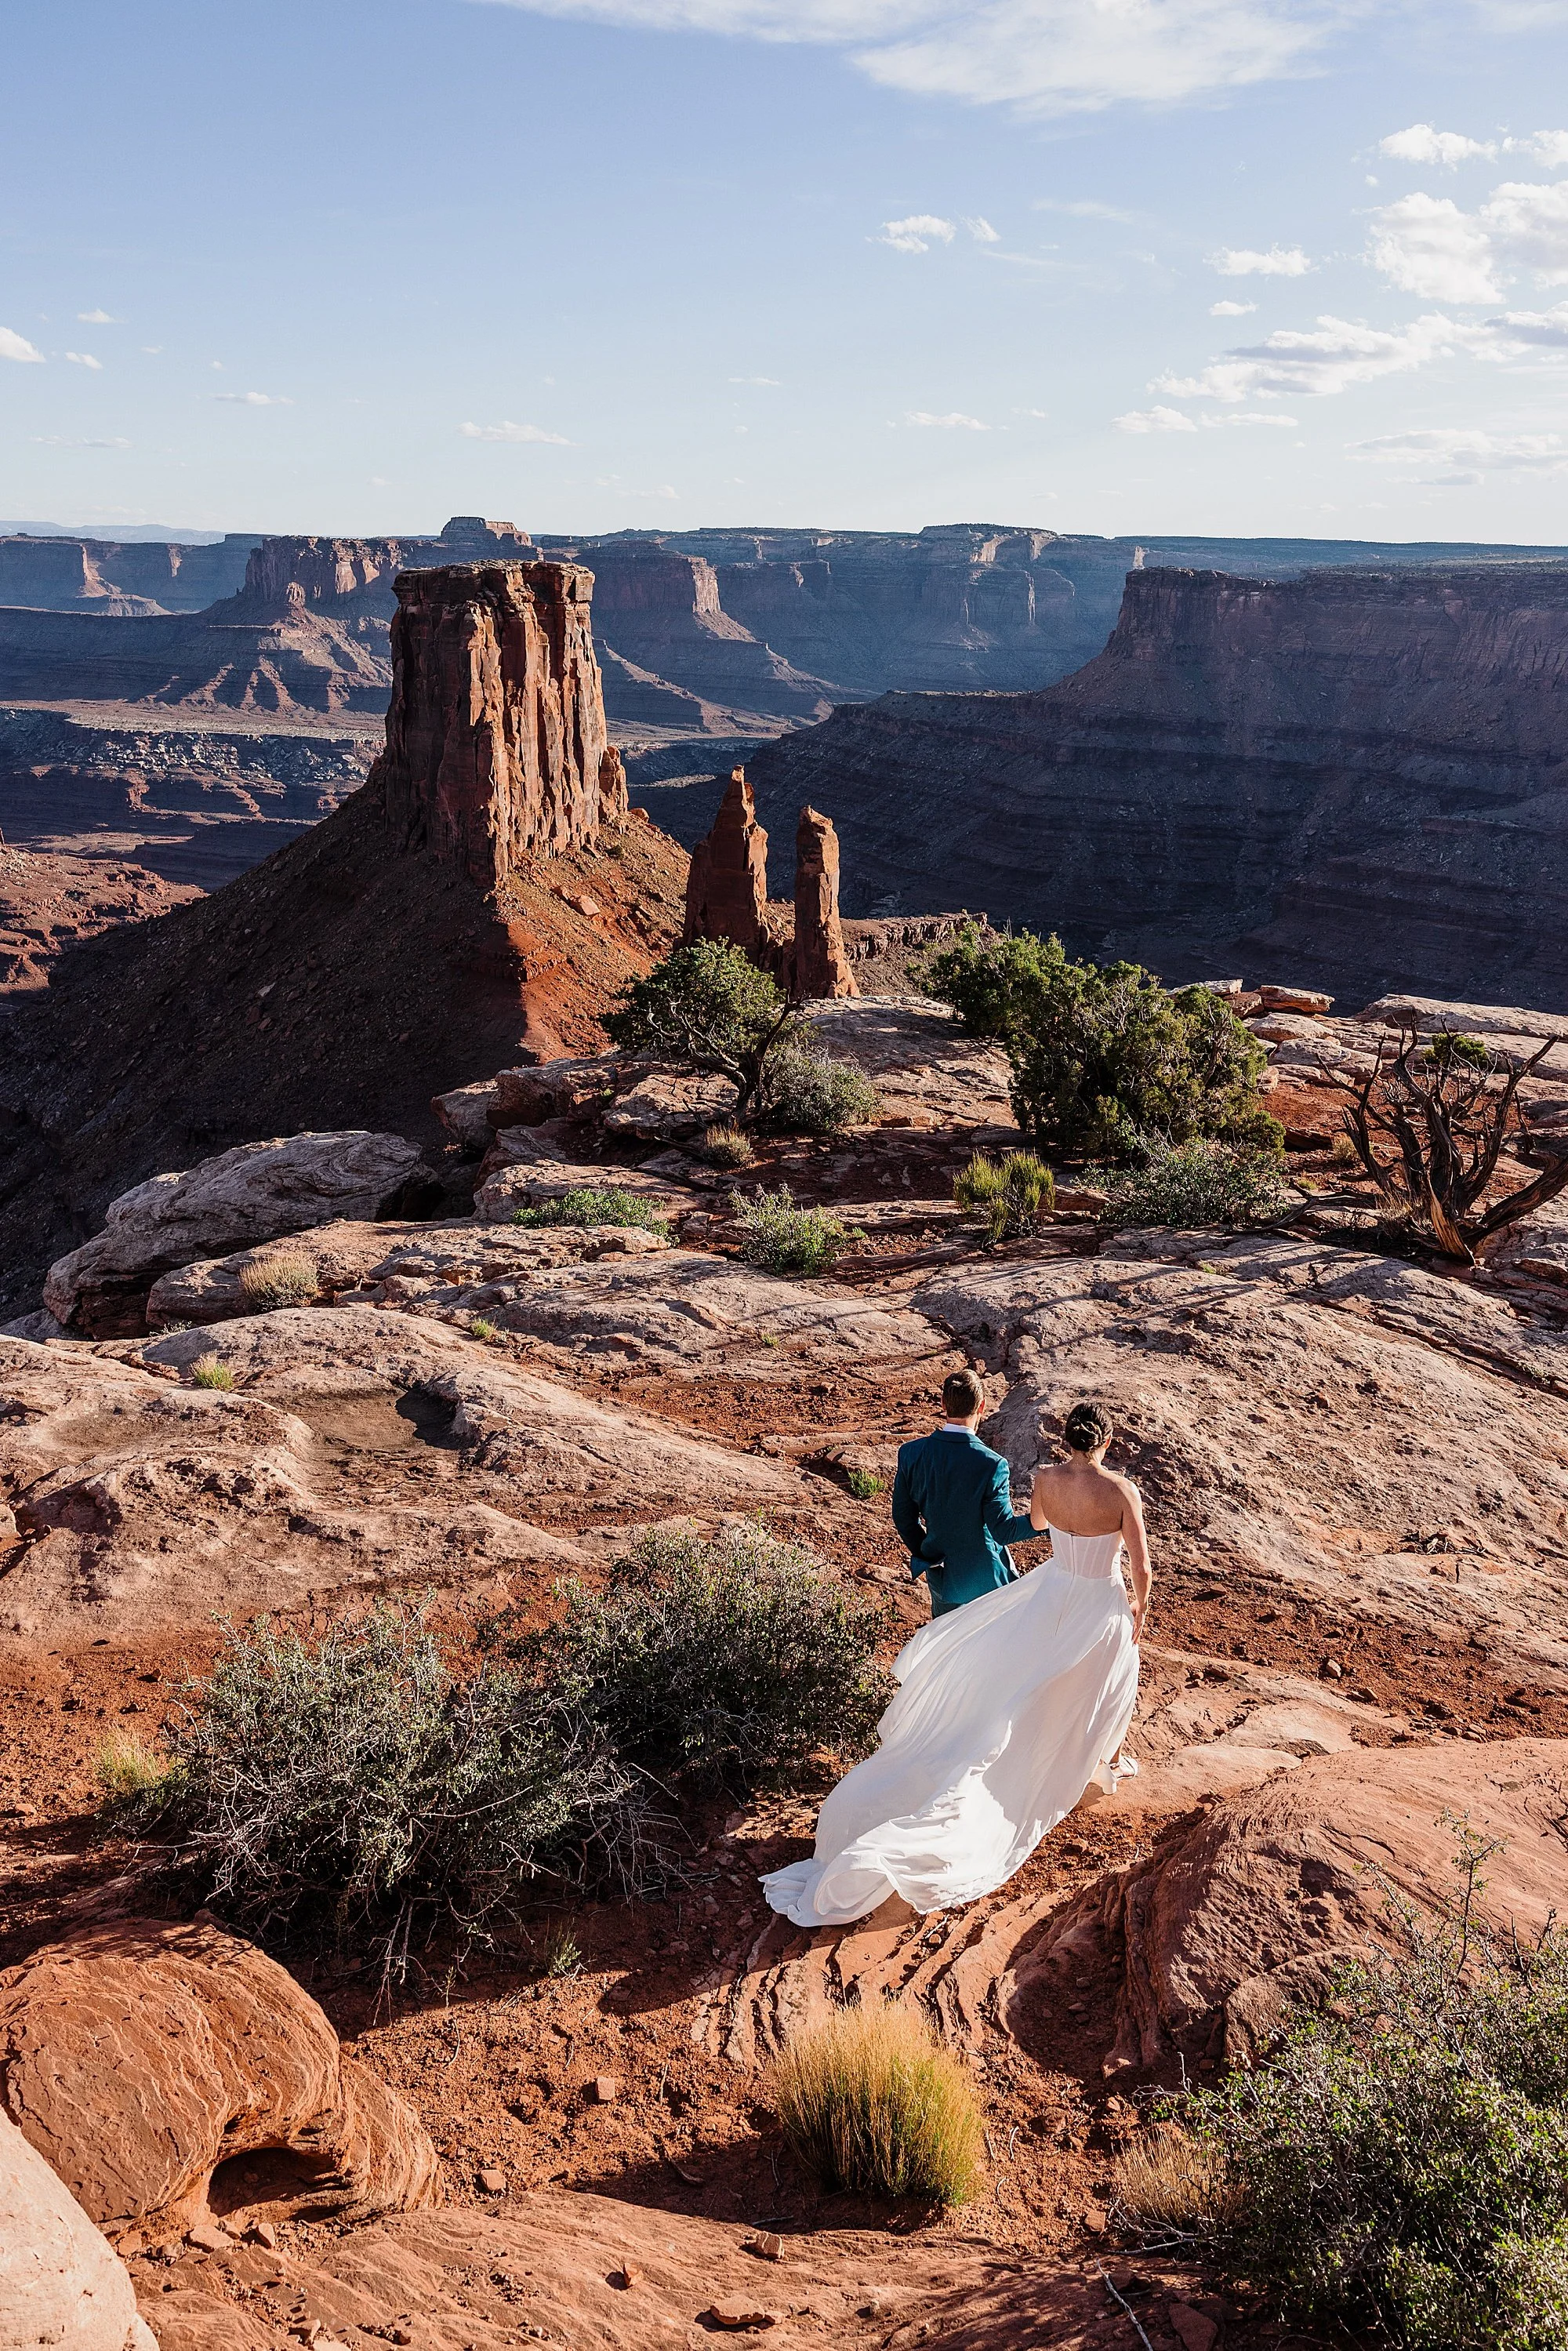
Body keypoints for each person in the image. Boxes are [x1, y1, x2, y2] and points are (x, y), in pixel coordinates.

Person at [761, 1398, 1150, 1930]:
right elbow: (1142, 1565)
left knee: (1028, 1682)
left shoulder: (1046, 1479)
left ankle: (1066, 1758)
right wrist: (1139, 1606)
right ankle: (1095, 1765)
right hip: (1099, 1598)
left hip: (1051, 1590)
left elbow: (1034, 1523)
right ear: (1106, 1442)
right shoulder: (1122, 1492)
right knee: (1104, 1679)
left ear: (1069, 1441)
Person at [890, 1367, 1042, 1616]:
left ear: (943, 1403)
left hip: (942, 1574)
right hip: (987, 1580)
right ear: (981, 1407)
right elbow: (1003, 1531)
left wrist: (929, 1551)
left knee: (946, 1644)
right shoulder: (992, 1464)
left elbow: (903, 1517)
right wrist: (1045, 1524)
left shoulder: (911, 1454)